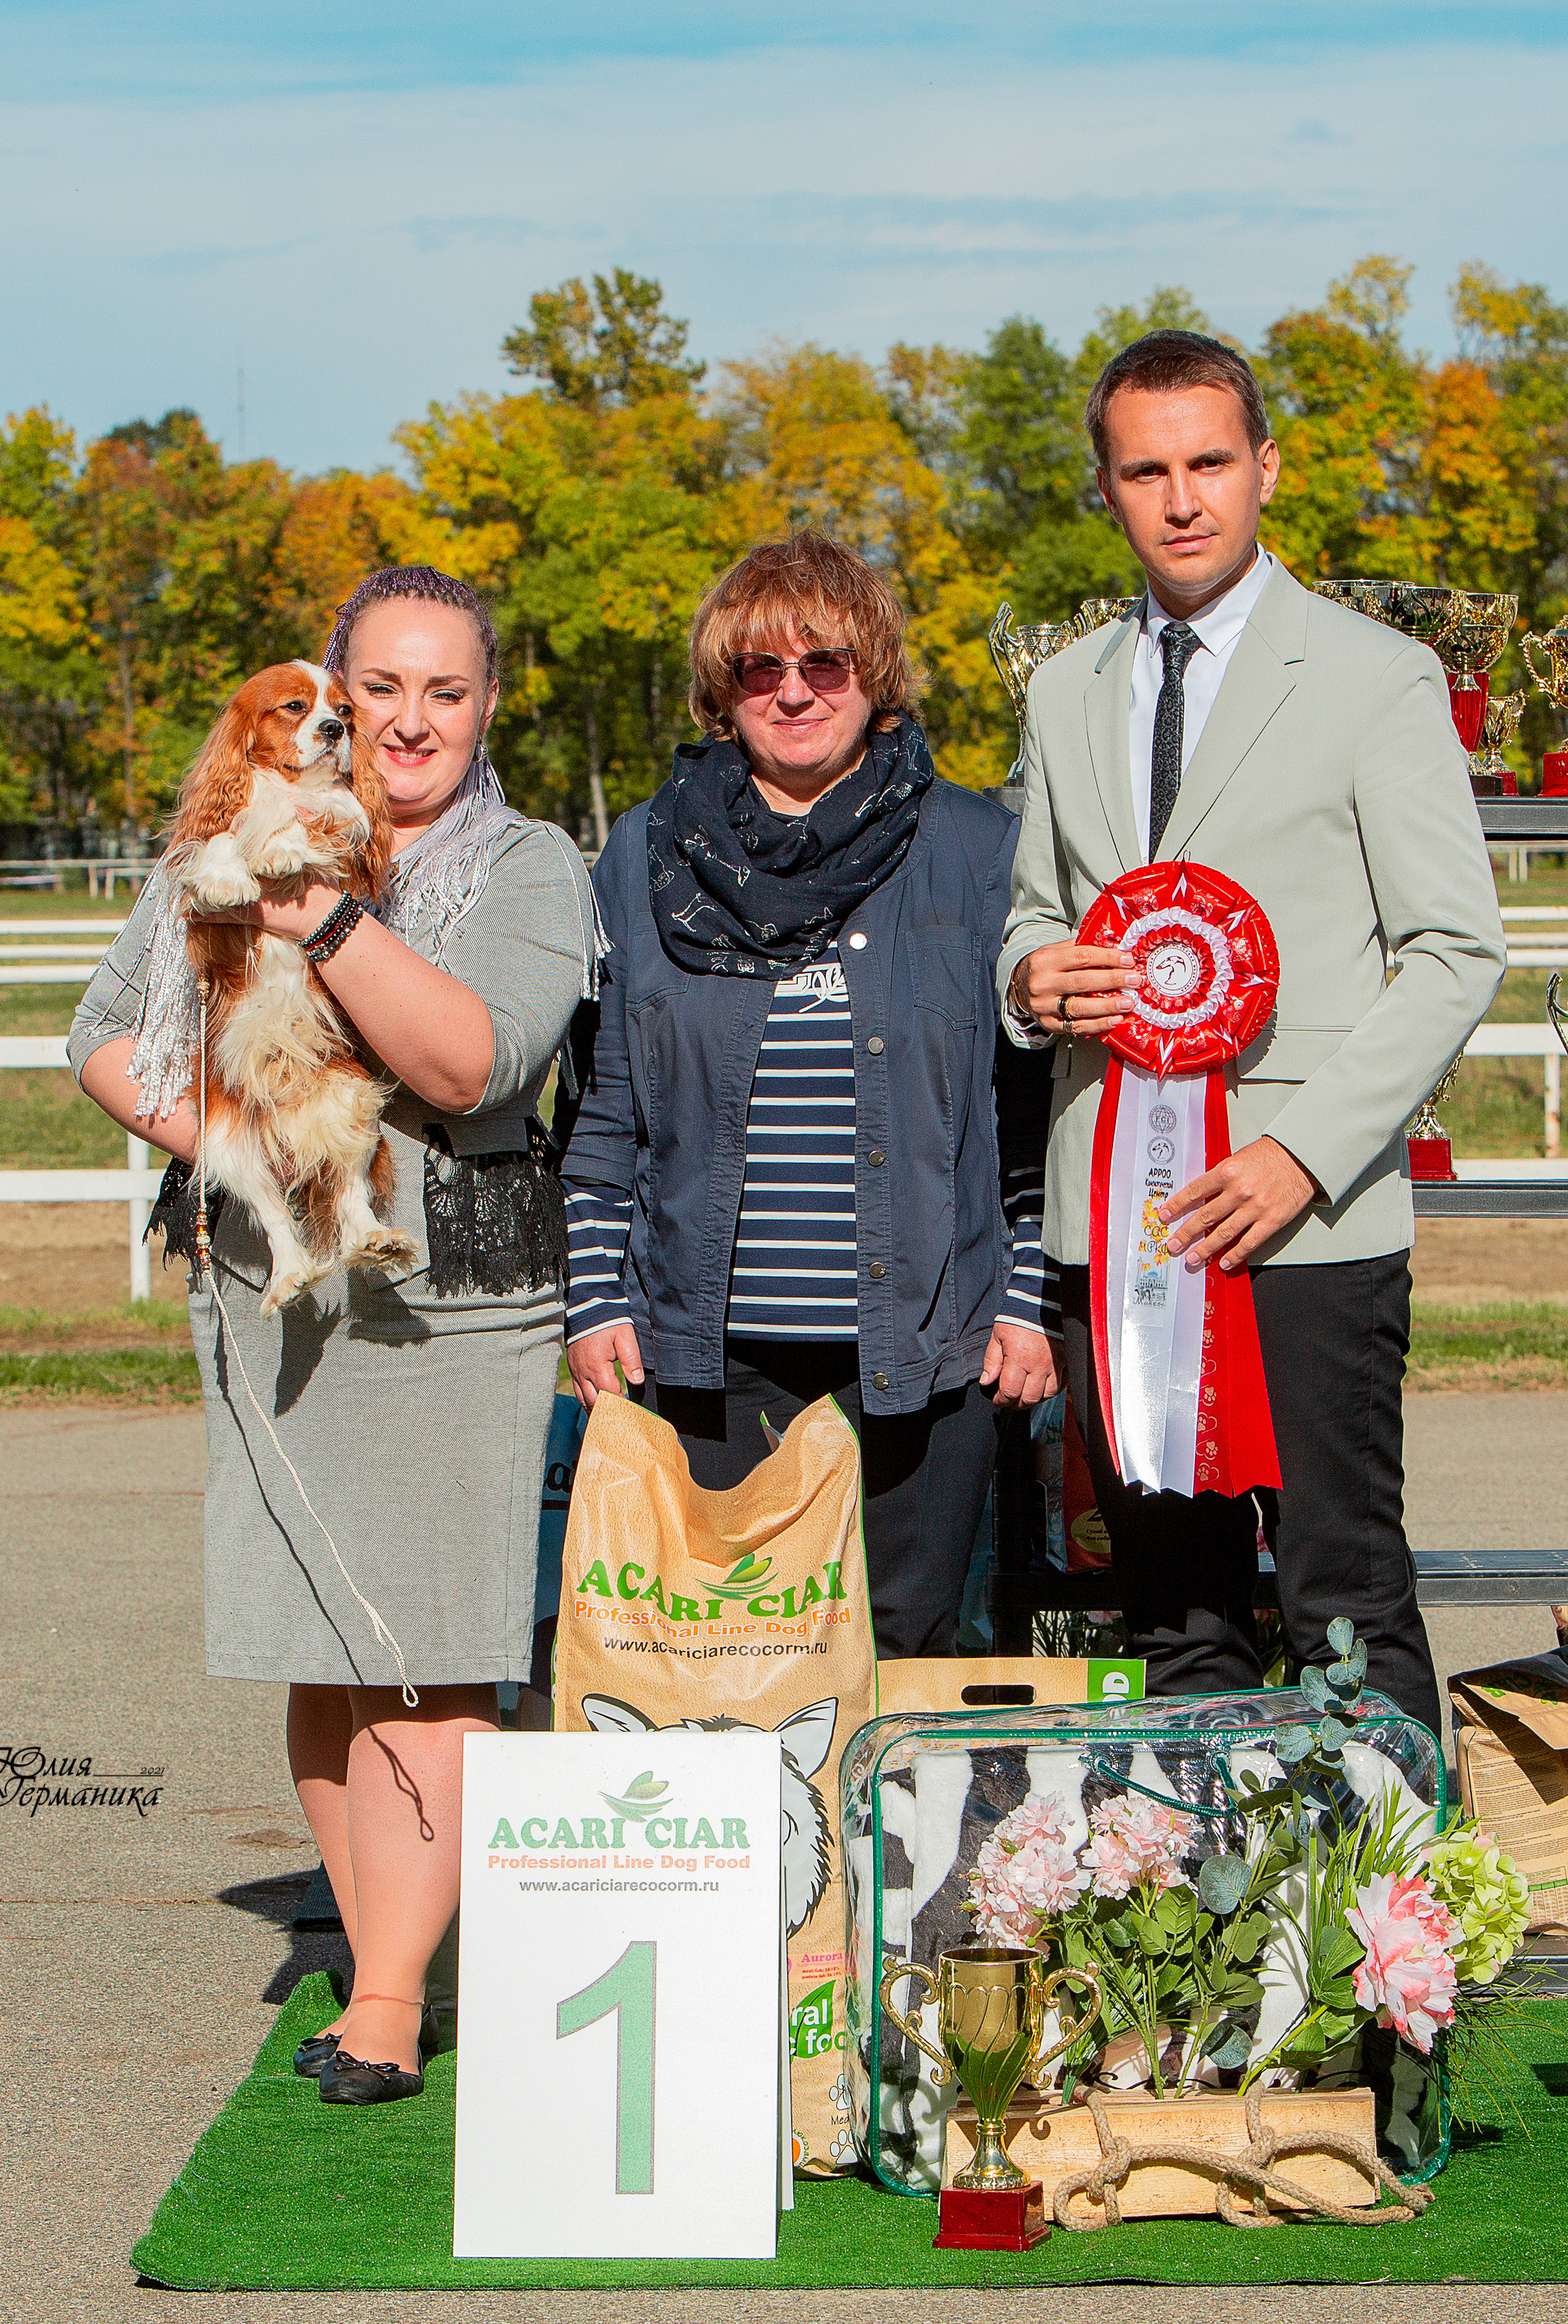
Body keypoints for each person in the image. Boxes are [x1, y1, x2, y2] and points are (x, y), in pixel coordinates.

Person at [70, 566, 600, 2101]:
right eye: (381, 688)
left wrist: (314, 905)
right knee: (317, 1642)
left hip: (452, 1308)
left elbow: (472, 1065)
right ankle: (391, 1965)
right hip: (267, 1291)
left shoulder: (526, 862)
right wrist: (227, 1143)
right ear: (335, 694)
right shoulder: (218, 828)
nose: (411, 719)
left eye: (447, 689)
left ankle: (376, 2002)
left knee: (427, 1651)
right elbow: (102, 1029)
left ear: (486, 704)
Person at [999, 331, 1505, 1736]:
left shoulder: (1373, 675)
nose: (1180, 499)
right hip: (1122, 1225)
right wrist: (1033, 977)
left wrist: (1298, 1151)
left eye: (1207, 463)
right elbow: (1031, 912)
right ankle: (1203, 1943)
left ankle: (1402, 1940)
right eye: (1144, 469)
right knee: (1170, 1607)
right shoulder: (1061, 692)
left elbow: (1455, 949)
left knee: (1344, 1589)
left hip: (1305, 1222)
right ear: (1104, 488)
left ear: (1263, 468)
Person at [559, 530, 1062, 1660]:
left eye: (824, 664)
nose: (793, 693)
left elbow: (1029, 1108)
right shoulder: (644, 854)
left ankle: (889, 1848)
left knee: (911, 1638)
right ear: (722, 691)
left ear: (873, 675)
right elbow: (602, 1117)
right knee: (731, 1655)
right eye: (760, 670)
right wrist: (595, 1303)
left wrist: (1028, 1301)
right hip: (708, 1354)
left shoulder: (978, 848)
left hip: (932, 1351)